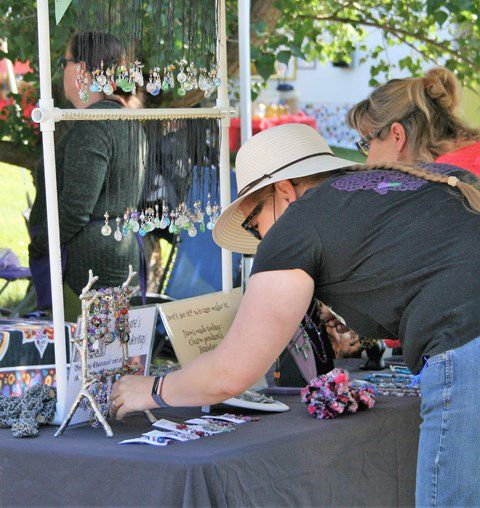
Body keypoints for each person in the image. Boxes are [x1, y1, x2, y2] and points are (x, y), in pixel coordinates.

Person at [111, 124, 480, 506]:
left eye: (254, 225)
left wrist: (152, 390)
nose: (260, 242)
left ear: (283, 191)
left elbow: (230, 373)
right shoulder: (406, 181)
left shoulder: (298, 222)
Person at [29, 32, 146, 320]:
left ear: (81, 69)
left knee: (82, 358)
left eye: (64, 62)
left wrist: (41, 244)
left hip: (86, 269)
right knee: (109, 358)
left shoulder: (94, 125)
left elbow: (76, 209)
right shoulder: (128, 121)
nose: (62, 70)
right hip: (115, 256)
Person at [348, 66, 480, 174]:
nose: (367, 161)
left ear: (397, 136)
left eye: (367, 145)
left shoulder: (447, 181)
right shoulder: (466, 158)